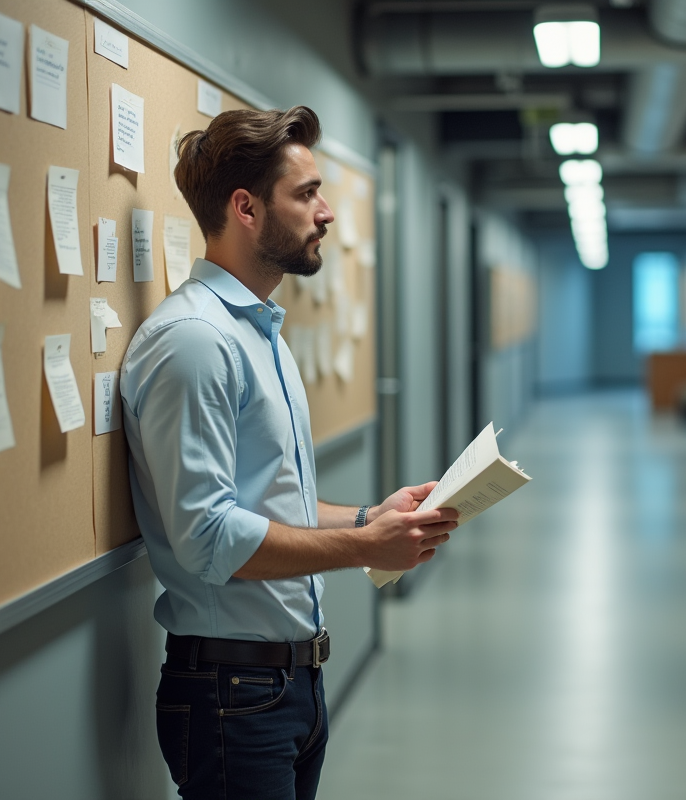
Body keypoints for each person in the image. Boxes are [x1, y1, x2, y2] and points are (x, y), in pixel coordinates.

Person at [120, 105, 458, 800]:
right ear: (246, 208)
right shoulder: (194, 342)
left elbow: (273, 504)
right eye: (306, 194)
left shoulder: (259, 334)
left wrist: (368, 516)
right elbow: (209, 537)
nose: (326, 212)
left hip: (287, 684)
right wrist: (367, 547)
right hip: (230, 693)